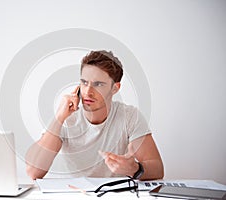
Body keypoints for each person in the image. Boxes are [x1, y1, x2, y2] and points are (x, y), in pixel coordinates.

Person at [26, 50, 164, 180]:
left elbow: (158, 170)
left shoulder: (129, 116)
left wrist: (135, 168)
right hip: (73, 194)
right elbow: (33, 172)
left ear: (115, 88)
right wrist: (59, 118)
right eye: (84, 82)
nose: (88, 91)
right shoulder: (66, 117)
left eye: (98, 84)